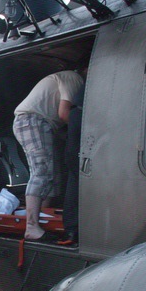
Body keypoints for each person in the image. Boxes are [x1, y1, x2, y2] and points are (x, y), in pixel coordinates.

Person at [13, 69, 85, 240]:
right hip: (33, 120)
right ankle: (31, 226)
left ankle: (42, 218)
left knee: (53, 175)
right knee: (41, 171)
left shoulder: (67, 78)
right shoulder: (74, 78)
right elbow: (64, 113)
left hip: (42, 123)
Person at [58, 67, 87, 246]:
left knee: (73, 183)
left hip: (72, 147)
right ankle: (73, 229)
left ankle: (71, 229)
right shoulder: (76, 84)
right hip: (76, 148)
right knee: (77, 183)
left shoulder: (76, 109)